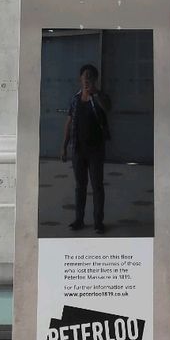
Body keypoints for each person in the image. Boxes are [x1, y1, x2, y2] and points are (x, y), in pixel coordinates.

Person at [61, 63, 110, 234]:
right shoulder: (75, 99)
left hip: (95, 150)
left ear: (95, 79)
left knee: (97, 187)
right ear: (80, 78)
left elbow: (108, 108)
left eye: (90, 76)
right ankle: (79, 220)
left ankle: (98, 222)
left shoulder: (100, 97)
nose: (87, 78)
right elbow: (69, 123)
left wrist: (96, 94)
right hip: (78, 150)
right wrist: (64, 146)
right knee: (80, 187)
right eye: (84, 75)